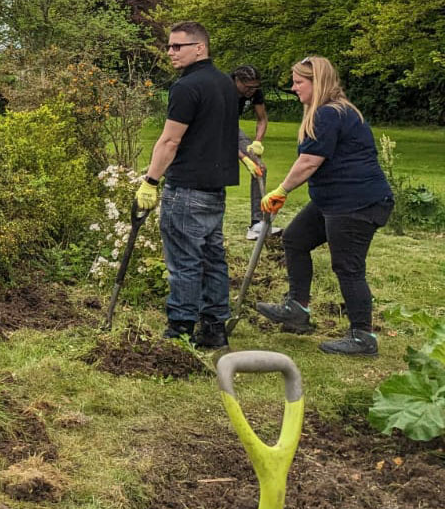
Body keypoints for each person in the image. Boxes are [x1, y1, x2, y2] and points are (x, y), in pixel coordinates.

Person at [254, 56, 394, 356]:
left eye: (299, 82)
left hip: (357, 202)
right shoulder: (329, 112)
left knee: (348, 267)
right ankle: (297, 308)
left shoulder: (330, 114)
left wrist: (281, 190)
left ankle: (362, 337)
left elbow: (309, 162)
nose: (294, 88)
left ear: (318, 83)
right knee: (295, 239)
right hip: (334, 200)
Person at [137, 22, 240, 349]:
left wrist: (150, 181)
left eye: (178, 46)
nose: (170, 52)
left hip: (186, 189)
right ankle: (213, 328)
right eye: (169, 46)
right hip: (214, 190)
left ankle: (180, 328)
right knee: (212, 259)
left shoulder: (186, 87)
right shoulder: (225, 83)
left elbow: (169, 140)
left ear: (200, 48)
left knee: (184, 261)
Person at [232, 65, 276, 240]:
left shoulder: (254, 91)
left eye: (255, 87)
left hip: (231, 127)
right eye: (248, 87)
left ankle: (257, 224)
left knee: (260, 168)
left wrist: (257, 141)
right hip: (211, 129)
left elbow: (262, 118)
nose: (252, 91)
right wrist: (243, 158)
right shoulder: (223, 89)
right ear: (237, 80)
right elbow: (218, 131)